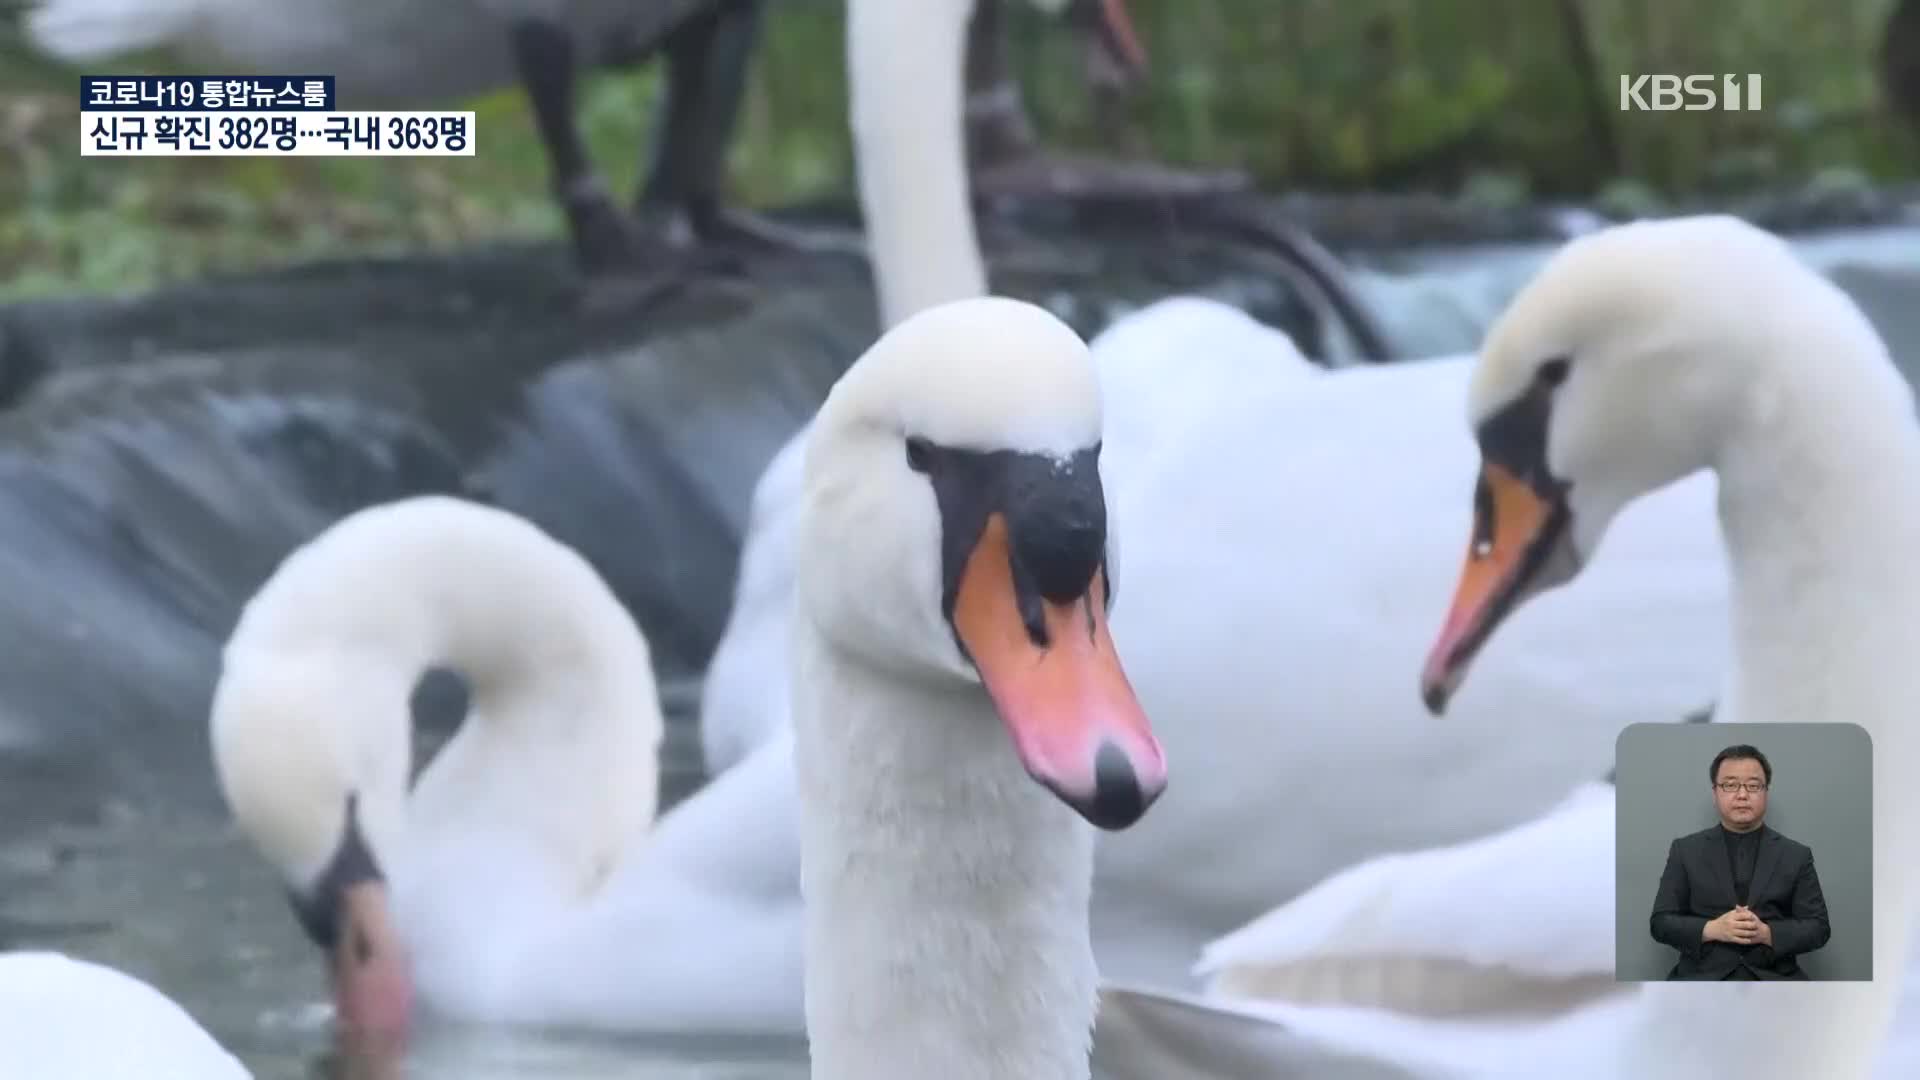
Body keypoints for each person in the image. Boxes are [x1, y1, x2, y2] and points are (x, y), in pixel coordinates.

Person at [1648, 745, 1832, 980]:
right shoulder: (1684, 850)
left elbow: (1818, 928)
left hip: (1775, 978)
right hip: (1702, 977)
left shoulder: (1796, 854)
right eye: (1730, 785)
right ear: (1715, 793)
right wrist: (1712, 929)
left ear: (1766, 791)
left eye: (1753, 786)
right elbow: (1660, 923)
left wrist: (1766, 933)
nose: (1742, 794)